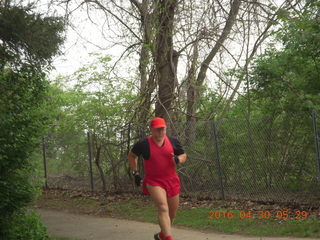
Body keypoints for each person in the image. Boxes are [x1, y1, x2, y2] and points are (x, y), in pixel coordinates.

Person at [128, 117, 187, 240]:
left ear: (166, 129)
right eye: (157, 130)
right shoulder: (143, 144)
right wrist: (135, 173)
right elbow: (132, 156)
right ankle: (168, 238)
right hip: (154, 181)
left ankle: (162, 235)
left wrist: (178, 159)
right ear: (151, 130)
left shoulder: (173, 141)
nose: (160, 133)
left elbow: (183, 155)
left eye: (163, 130)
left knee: (172, 213)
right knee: (163, 207)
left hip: (171, 180)